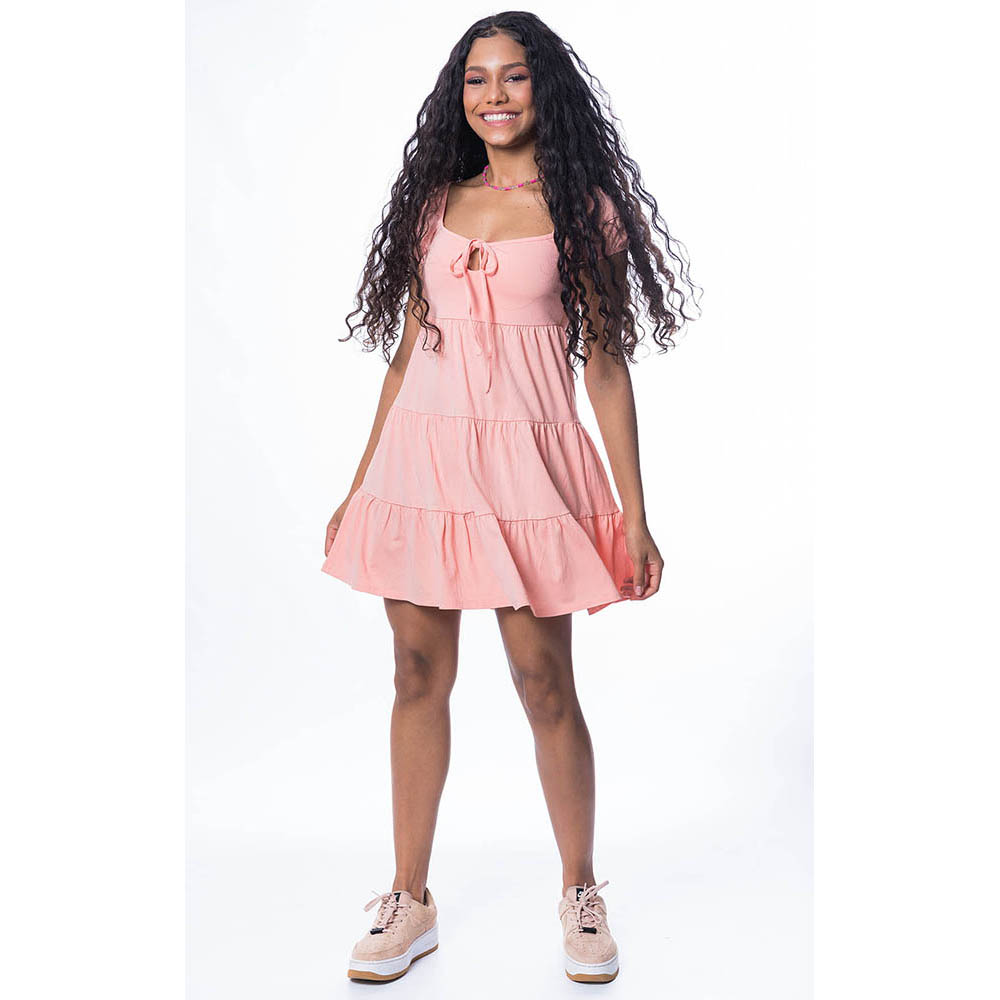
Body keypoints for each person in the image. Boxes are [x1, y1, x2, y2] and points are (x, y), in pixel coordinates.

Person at [321, 10, 700, 985]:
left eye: (514, 76)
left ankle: (579, 890)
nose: (494, 95)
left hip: (527, 472)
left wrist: (635, 513)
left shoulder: (585, 209)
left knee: (544, 684)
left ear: (545, 89)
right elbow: (406, 355)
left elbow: (606, 365)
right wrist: (360, 485)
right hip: (422, 467)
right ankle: (408, 898)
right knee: (415, 673)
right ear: (460, 94)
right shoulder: (432, 205)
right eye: (477, 78)